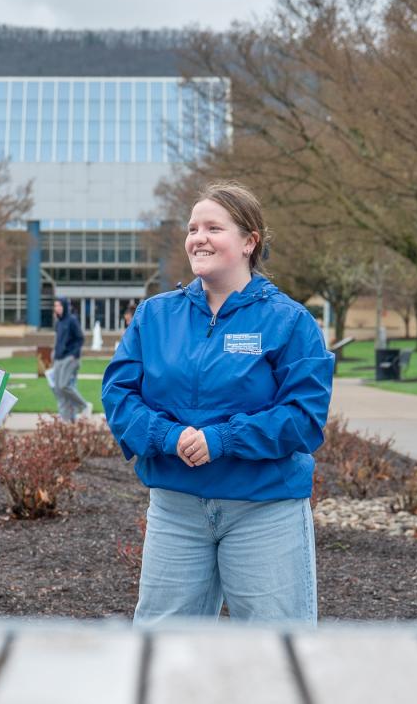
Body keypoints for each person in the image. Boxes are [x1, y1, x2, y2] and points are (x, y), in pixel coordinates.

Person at [101, 181, 334, 625]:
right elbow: (119, 396)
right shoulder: (154, 316)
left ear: (250, 241)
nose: (198, 238)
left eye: (214, 227)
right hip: (176, 510)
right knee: (162, 648)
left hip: (264, 511)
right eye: (192, 228)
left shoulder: (290, 322)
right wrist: (169, 436)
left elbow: (304, 419)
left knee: (276, 649)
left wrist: (223, 439)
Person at [48, 296, 90, 421]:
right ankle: (66, 420)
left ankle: (84, 406)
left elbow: (80, 338)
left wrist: (73, 355)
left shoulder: (72, 320)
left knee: (64, 385)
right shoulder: (58, 322)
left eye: (59, 305)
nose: (57, 308)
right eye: (55, 306)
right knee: (58, 390)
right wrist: (54, 354)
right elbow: (58, 341)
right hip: (58, 359)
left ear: (65, 306)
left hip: (70, 358)